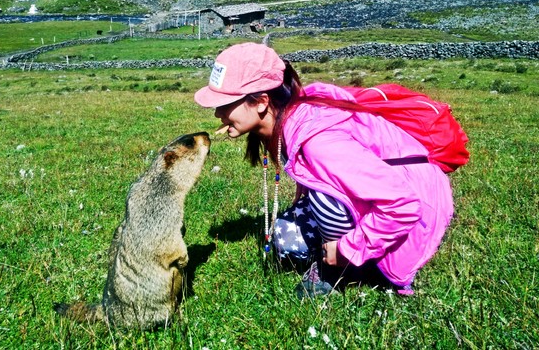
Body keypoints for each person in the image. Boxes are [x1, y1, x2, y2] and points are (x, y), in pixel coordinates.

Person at [194, 42, 454, 297]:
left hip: (417, 210)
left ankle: (347, 269)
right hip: (397, 193)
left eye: (226, 104)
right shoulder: (294, 117)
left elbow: (403, 204)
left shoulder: (320, 142)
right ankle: (342, 254)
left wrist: (347, 250)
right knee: (286, 239)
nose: (218, 113)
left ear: (261, 102)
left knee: (324, 199)